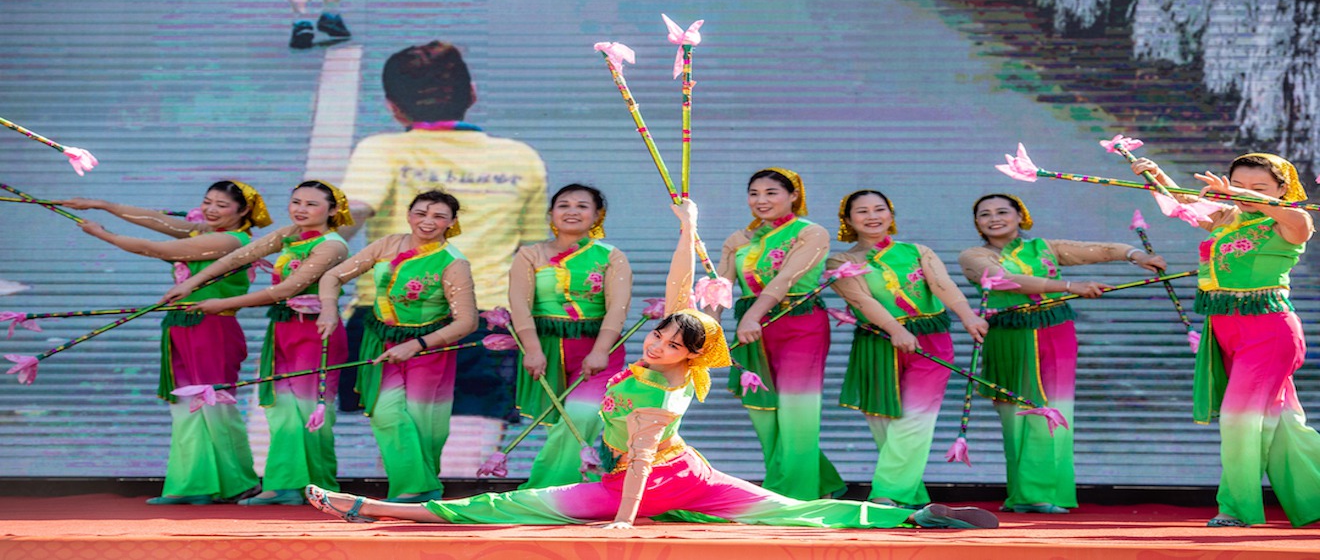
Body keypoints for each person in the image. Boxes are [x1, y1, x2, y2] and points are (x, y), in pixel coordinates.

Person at [304, 199, 998, 530]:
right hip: (691, 477)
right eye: (657, 335)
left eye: (667, 342)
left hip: (641, 487)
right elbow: (679, 292)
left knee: (504, 506)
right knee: (799, 511)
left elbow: (636, 467)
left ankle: (375, 508)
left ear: (689, 358)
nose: (654, 342)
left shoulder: (667, 392)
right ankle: (919, 515)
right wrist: (688, 228)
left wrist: (622, 523)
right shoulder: (678, 354)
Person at [338, 41, 546, 428]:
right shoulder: (520, 157)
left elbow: (356, 209)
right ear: (472, 94)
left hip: (389, 320)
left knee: (400, 444)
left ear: (393, 107)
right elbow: (533, 250)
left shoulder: (381, 150)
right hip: (485, 323)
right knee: (469, 448)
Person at [1131, 153, 1320, 528]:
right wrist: (1156, 174)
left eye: (1259, 187)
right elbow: (1182, 203)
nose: (1243, 194)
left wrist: (1236, 194)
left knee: (1238, 419)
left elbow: (1289, 217)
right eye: (1237, 185)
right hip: (1226, 329)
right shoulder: (1228, 217)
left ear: (1282, 189)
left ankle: (1235, 508)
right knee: (1285, 425)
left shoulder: (1294, 221)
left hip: (1269, 330)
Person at [60, 181, 272, 505]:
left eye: (222, 205)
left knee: (215, 407)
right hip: (180, 326)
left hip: (212, 329)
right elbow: (157, 221)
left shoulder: (232, 240)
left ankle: (239, 483)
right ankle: (192, 486)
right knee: (185, 408)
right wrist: (101, 204)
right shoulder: (203, 231)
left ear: (243, 211)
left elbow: (158, 249)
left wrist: (104, 234)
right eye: (207, 202)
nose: (211, 210)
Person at [957, 193, 1165, 514]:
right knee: (1019, 414)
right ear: (977, 223)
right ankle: (1029, 495)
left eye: (1002, 211)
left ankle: (1049, 493)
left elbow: (1099, 250)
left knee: (1056, 409)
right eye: (985, 214)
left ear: (1020, 216)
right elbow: (1004, 280)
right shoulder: (973, 256)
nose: (994, 218)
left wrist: (1135, 255)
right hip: (1011, 336)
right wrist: (1070, 286)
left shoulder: (1045, 247)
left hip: (1055, 331)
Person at [164, 180, 353, 506]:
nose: (301, 210)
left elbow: (286, 289)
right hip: (283, 329)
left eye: (311, 204)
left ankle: (314, 487)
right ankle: (284, 485)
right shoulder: (289, 234)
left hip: (315, 332)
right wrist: (192, 283)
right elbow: (238, 258)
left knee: (308, 410)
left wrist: (222, 304)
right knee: (282, 410)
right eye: (296, 202)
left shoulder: (332, 246)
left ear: (333, 210)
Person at [827, 189, 988, 508]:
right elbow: (862, 300)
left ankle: (887, 494)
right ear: (848, 220)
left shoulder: (917, 251)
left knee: (915, 418)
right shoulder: (841, 262)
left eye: (879, 209)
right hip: (877, 342)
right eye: (862, 211)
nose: (872, 216)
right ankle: (910, 495)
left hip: (930, 339)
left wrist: (968, 316)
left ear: (891, 214)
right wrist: (896, 330)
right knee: (884, 419)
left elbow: (942, 285)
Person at [314, 190, 477, 503]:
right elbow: (332, 276)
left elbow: (467, 322)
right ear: (408, 214)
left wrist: (417, 344)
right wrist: (329, 308)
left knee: (423, 420)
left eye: (439, 216)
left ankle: (418, 491)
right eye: (421, 213)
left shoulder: (453, 262)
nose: (428, 221)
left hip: (429, 349)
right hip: (382, 342)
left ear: (452, 222)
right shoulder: (387, 244)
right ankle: (415, 488)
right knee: (385, 413)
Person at [713, 168, 843, 500]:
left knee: (797, 409)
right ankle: (817, 483)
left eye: (771, 192)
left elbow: (786, 278)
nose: (761, 200)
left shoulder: (810, 232)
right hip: (752, 331)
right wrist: (707, 326)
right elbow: (721, 286)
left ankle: (793, 494)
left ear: (793, 195)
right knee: (763, 411)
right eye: (754, 193)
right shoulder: (739, 239)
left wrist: (752, 316)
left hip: (799, 325)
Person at [509, 184, 631, 488]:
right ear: (551, 213)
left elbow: (618, 307)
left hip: (599, 350)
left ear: (597, 215)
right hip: (546, 348)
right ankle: (582, 491)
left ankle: (544, 490)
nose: (572, 211)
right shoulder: (529, 255)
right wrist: (532, 349)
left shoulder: (611, 256)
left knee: (581, 417)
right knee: (559, 427)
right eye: (564, 205)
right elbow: (520, 305)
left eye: (582, 206)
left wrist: (601, 351)